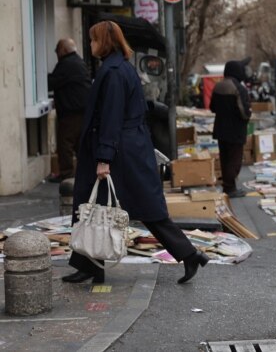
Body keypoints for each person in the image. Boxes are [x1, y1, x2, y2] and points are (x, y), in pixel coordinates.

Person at [64, 20, 208, 285]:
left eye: (94, 40)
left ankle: (189, 254)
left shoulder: (115, 71)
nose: (91, 45)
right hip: (126, 149)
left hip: (120, 153)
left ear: (105, 42)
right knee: (95, 206)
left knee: (126, 207)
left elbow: (111, 117)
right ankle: (88, 264)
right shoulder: (117, 68)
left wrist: (104, 158)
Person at [47, 38, 91, 183]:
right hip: (81, 109)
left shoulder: (66, 64)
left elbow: (51, 82)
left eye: (57, 51)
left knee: (65, 143)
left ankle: (66, 174)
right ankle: (85, 172)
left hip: (71, 111)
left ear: (63, 50)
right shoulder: (78, 61)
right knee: (79, 144)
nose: (56, 54)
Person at [210, 59, 252, 198]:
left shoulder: (218, 86)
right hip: (236, 130)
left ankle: (228, 186)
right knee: (235, 159)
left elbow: (212, 108)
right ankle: (230, 188)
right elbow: (244, 112)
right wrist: (248, 115)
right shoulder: (239, 88)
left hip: (220, 128)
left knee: (225, 158)